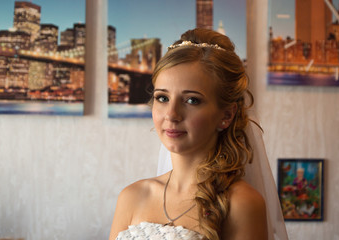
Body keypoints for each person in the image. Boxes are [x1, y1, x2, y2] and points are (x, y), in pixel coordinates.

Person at [109, 28, 287, 240]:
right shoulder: (131, 197)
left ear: (227, 115)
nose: (172, 115)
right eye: (162, 98)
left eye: (192, 100)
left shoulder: (243, 204)